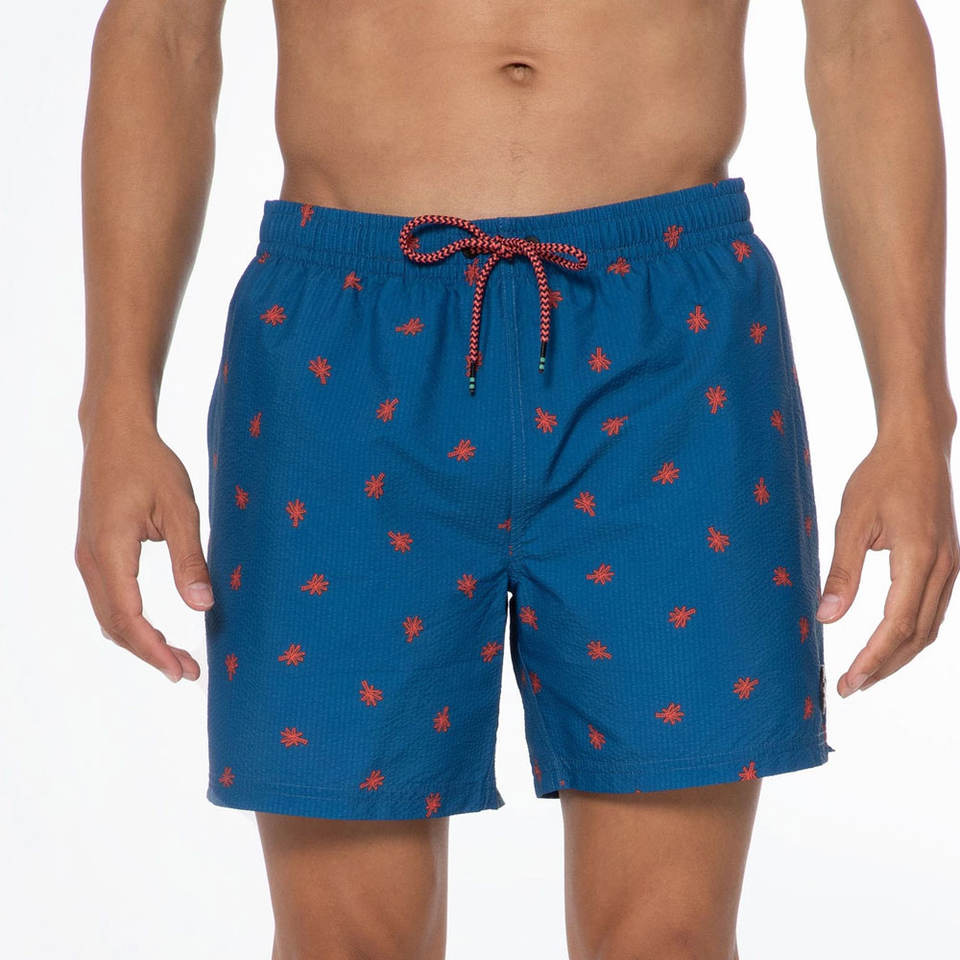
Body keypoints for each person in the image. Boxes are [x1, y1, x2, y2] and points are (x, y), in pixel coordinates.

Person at [75, 2, 957, 958]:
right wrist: (115, 412)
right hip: (345, 348)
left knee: (666, 942)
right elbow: (162, 31)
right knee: (342, 943)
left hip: (671, 347)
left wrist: (917, 418)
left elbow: (864, 29)